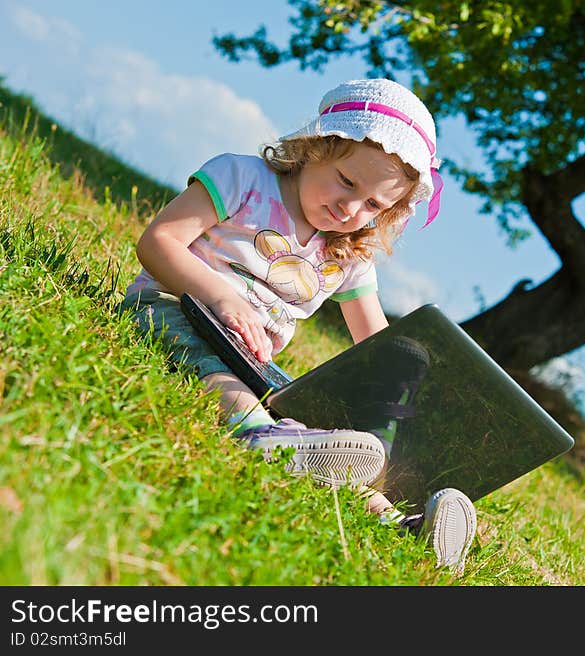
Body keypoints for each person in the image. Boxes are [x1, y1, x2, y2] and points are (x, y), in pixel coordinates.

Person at [120, 78, 476, 575]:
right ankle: (261, 441)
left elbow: (375, 345)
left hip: (254, 358)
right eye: (347, 182)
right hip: (175, 307)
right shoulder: (241, 177)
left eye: (374, 205)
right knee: (214, 372)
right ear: (313, 147)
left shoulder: (348, 252)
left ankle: (402, 524)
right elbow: (157, 241)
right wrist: (220, 295)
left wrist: (427, 404)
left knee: (313, 418)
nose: (351, 209)